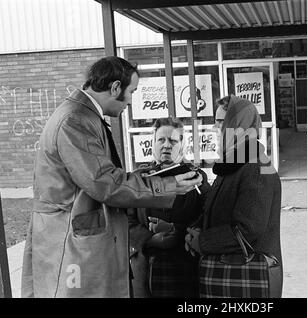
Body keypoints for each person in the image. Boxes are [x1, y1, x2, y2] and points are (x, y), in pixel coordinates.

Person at [21, 56, 202, 298]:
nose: (131, 100)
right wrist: (165, 185)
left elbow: (99, 178)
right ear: (115, 87)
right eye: (132, 91)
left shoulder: (79, 115)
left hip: (73, 242)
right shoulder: (76, 120)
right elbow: (104, 184)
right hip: (71, 246)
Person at [185, 95, 283, 298]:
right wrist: (195, 229)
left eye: (221, 122)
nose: (215, 128)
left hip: (250, 282)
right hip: (232, 278)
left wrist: (202, 242)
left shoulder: (256, 168)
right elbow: (215, 209)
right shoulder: (232, 164)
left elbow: (247, 229)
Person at [128, 118, 210, 298]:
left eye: (173, 141)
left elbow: (209, 215)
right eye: (161, 140)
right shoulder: (138, 179)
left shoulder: (195, 177)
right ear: (153, 143)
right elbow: (125, 220)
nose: (166, 145)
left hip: (186, 266)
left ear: (182, 145)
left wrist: (176, 230)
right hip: (146, 268)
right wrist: (149, 238)